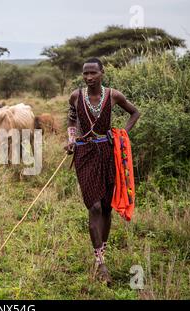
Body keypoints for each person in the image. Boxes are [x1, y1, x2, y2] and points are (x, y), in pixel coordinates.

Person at [64, 57, 140, 284]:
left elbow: (135, 113)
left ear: (102, 73)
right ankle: (101, 263)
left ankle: (100, 252)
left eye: (92, 73)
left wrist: (121, 134)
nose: (88, 78)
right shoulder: (76, 96)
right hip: (84, 153)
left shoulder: (113, 96)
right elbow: (71, 118)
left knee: (106, 206)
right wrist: (70, 140)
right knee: (94, 206)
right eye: (85, 74)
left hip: (108, 154)